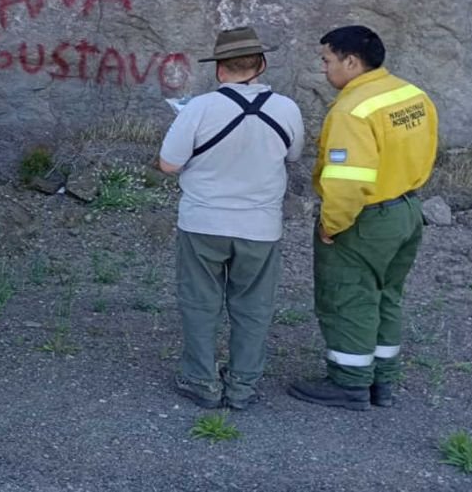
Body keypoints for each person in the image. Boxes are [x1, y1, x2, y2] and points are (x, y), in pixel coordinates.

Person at [288, 25, 438, 410]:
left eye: (327, 60)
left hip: (366, 220)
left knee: (349, 298)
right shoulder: (411, 95)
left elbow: (347, 182)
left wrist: (331, 224)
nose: (324, 69)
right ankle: (381, 381)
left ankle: (350, 383)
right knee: (387, 295)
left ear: (351, 61)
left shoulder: (352, 111)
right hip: (407, 210)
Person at [159, 26, 305, 409]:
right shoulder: (287, 109)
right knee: (253, 306)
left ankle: (200, 380)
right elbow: (293, 156)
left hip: (203, 222)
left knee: (200, 302)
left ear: (220, 69)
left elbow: (168, 164)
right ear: (262, 64)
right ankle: (243, 385)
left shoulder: (200, 108)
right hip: (260, 226)